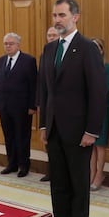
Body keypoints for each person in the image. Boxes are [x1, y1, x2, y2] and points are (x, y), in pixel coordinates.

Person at [39, 0, 107, 217]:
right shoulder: (49, 49)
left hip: (80, 134)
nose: (57, 20)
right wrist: (42, 125)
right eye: (55, 15)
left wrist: (92, 130)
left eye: (62, 15)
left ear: (75, 17)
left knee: (79, 190)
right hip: (54, 131)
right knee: (58, 187)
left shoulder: (88, 48)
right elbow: (44, 90)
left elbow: (98, 93)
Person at [0, 32, 37, 178]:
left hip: (22, 108)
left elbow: (33, 84)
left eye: (11, 43)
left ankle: (24, 165)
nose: (8, 46)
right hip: (4, 106)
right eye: (6, 44)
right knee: (9, 136)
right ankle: (11, 164)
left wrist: (32, 106)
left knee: (22, 137)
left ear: (18, 45)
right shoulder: (1, 60)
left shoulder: (28, 60)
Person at [89, 37, 109, 191]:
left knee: (100, 144)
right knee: (91, 144)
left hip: (102, 109)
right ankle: (91, 174)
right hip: (88, 111)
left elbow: (107, 89)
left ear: (101, 49)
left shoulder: (108, 67)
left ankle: (100, 174)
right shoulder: (86, 66)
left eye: (97, 47)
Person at [39, 26, 59, 182]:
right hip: (48, 105)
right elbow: (41, 83)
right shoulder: (45, 53)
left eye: (54, 35)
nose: (51, 37)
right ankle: (51, 170)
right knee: (49, 141)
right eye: (49, 35)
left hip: (65, 110)